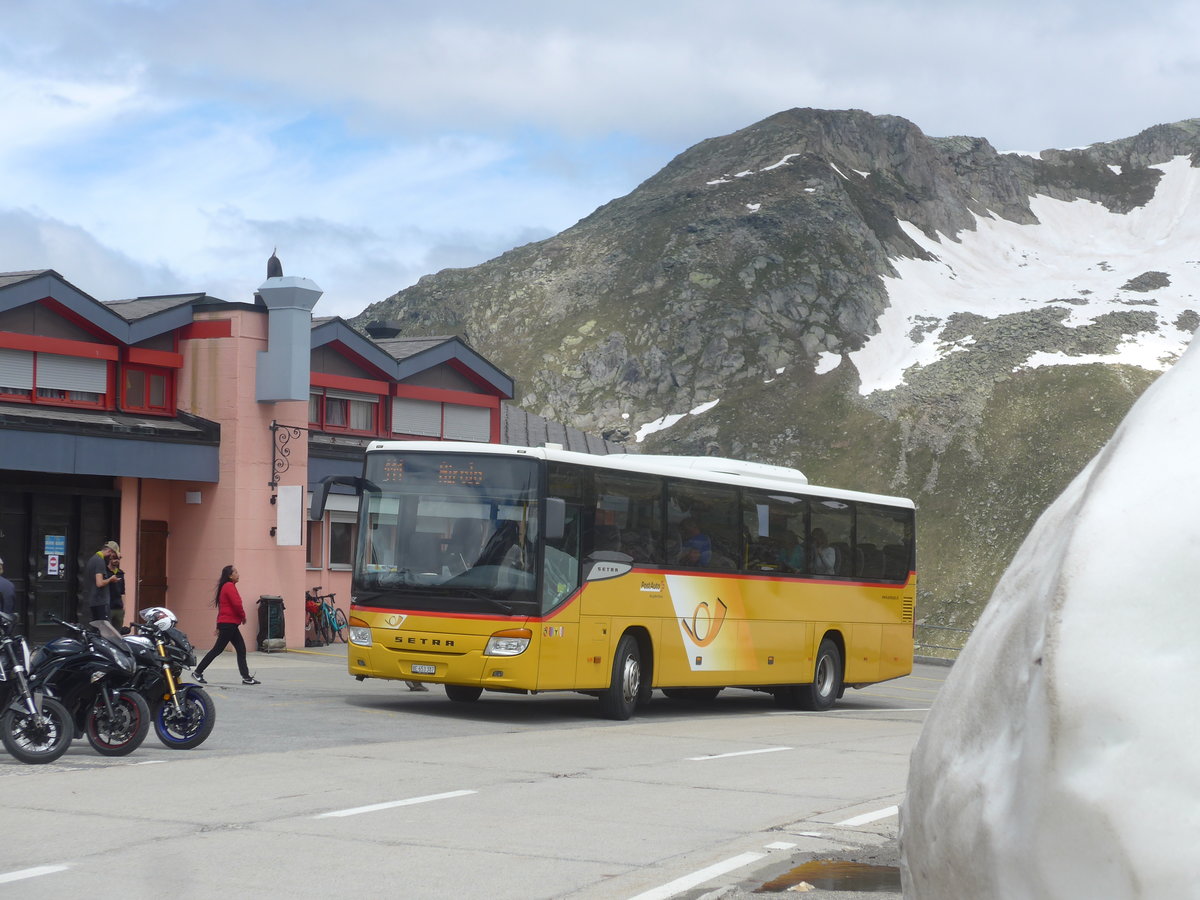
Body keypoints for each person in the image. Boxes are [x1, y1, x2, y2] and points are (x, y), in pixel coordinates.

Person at [193, 564, 260, 685]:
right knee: (217, 650)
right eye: (236, 572)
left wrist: (218, 626)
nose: (238, 574)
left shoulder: (227, 586)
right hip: (229, 624)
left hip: (229, 624)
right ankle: (198, 672)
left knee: (241, 649)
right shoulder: (229, 586)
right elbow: (237, 604)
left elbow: (222, 610)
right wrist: (243, 616)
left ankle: (246, 677)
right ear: (230, 576)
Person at [81, 541, 120, 623]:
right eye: (113, 555)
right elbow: (99, 583)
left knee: (96, 628)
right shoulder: (100, 561)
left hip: (93, 600)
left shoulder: (92, 559)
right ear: (110, 551)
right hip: (100, 601)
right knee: (105, 629)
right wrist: (111, 579)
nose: (111, 557)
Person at [107, 551, 127, 629]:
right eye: (114, 558)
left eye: (118, 559)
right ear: (110, 559)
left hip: (118, 607)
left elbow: (123, 591)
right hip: (108, 606)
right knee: (107, 630)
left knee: (118, 631)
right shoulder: (105, 572)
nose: (116, 560)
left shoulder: (120, 573)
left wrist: (124, 605)